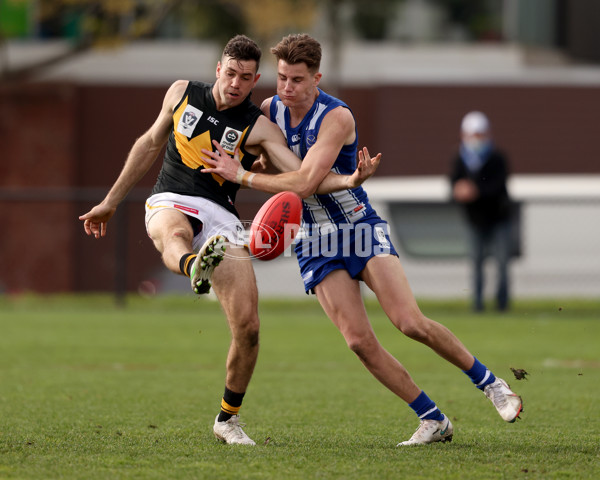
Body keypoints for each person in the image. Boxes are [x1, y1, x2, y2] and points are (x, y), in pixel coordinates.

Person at [201, 33, 523, 446]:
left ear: (317, 78)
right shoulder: (269, 110)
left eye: (297, 80)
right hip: (314, 240)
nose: (286, 88)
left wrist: (242, 175)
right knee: (358, 342)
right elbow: (282, 166)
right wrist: (261, 164)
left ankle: (491, 384)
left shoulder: (337, 117)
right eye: (281, 77)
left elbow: (302, 183)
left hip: (357, 228)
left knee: (410, 323)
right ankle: (433, 419)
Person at [78, 34, 379, 446]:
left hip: (221, 217)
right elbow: (149, 143)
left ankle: (227, 419)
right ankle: (193, 265)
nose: (236, 83)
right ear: (218, 69)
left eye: (246, 77)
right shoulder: (182, 92)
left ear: (255, 81)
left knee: (249, 326)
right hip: (171, 197)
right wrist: (110, 202)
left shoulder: (258, 125)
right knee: (175, 233)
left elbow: (306, 175)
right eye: (231, 73)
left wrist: (350, 179)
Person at [450, 111, 513, 312]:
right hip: (474, 220)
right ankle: (477, 304)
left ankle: (502, 305)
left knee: (502, 263)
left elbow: (498, 186)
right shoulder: (460, 159)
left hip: (499, 218)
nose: (475, 139)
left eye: (479, 134)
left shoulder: (497, 158)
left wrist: (475, 191)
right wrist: (458, 190)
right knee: (476, 263)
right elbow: (453, 186)